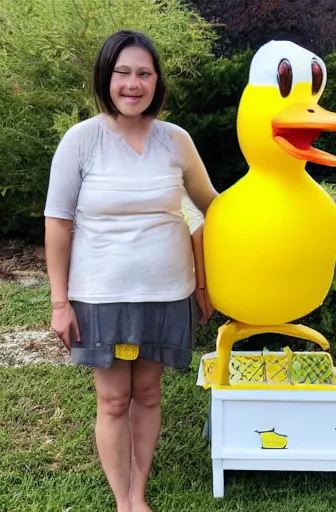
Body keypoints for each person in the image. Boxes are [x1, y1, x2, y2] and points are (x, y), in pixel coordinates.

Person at [44, 30, 217, 512]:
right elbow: (57, 224)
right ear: (106, 77)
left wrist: (205, 281)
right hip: (101, 296)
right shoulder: (82, 141)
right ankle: (124, 501)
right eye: (123, 73)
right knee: (114, 400)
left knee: (148, 392)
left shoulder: (175, 140)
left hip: (168, 292)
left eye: (143, 73)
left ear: (156, 80)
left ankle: (139, 490)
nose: (133, 84)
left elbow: (212, 210)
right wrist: (61, 303)